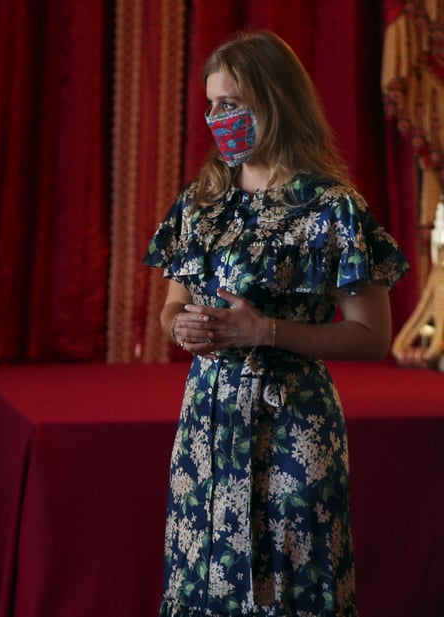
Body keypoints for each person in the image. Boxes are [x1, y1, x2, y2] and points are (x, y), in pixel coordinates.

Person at [143, 30, 409, 615]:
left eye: (231, 104)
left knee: (290, 585)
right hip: (208, 424)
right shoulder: (201, 201)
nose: (218, 119)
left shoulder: (332, 207)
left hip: (292, 423)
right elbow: (170, 307)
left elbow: (373, 337)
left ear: (274, 101)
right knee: (202, 581)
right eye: (211, 105)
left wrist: (265, 332)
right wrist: (180, 327)